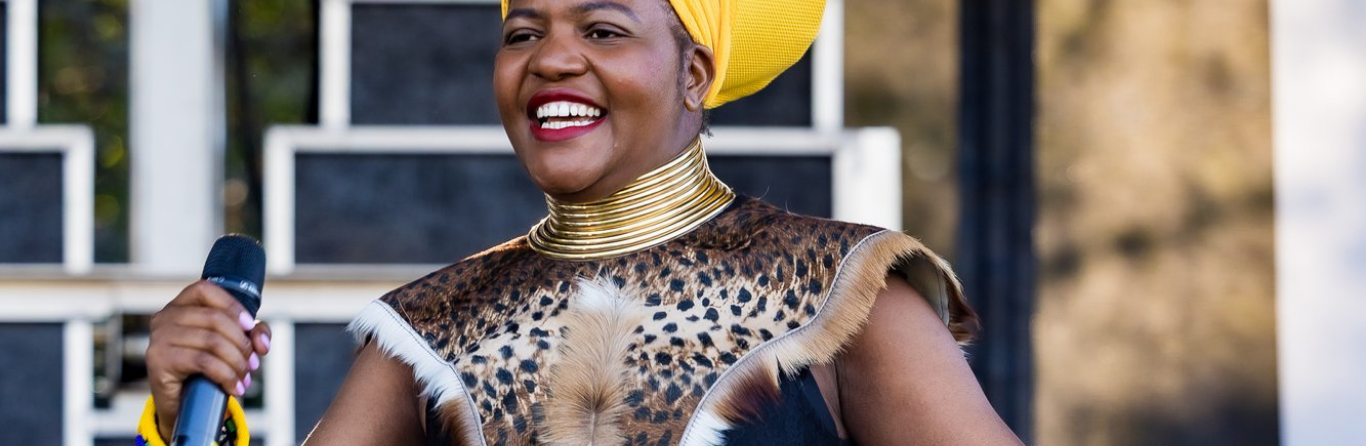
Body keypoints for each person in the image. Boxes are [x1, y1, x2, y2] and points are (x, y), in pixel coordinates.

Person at [141, 0, 1025, 444]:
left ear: (694, 73)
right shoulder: (430, 328)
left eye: (602, 29)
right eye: (523, 31)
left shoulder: (842, 295)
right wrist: (189, 413)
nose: (552, 58)